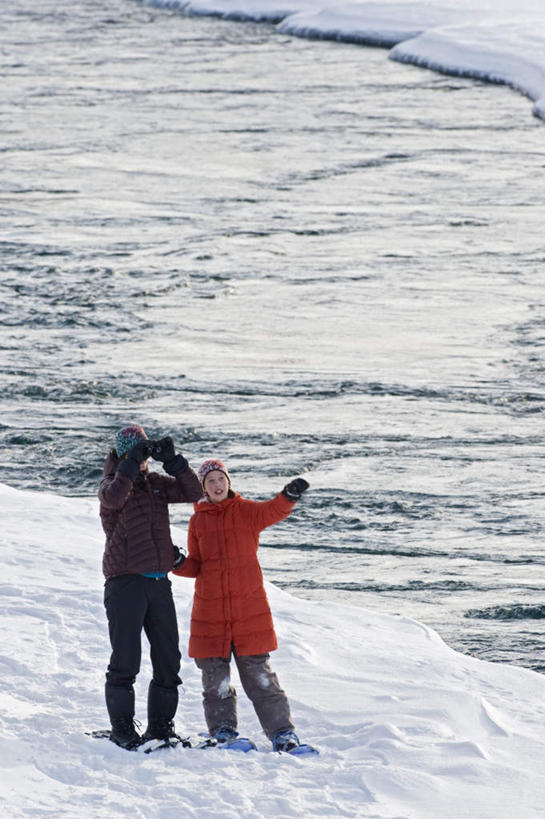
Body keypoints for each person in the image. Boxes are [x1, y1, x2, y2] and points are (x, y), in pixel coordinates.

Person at [173, 458, 315, 754]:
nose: (216, 485)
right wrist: (177, 563)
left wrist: (288, 496)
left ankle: (283, 734)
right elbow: (195, 565)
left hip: (249, 612)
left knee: (261, 679)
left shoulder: (247, 512)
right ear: (204, 487)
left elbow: (272, 511)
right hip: (210, 612)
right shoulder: (198, 520)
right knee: (215, 680)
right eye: (210, 481)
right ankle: (223, 731)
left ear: (228, 481)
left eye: (220, 479)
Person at [98, 424, 202, 750]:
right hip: (125, 583)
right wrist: (128, 464)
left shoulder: (156, 484)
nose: (142, 460)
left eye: (143, 453)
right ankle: (122, 730)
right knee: (126, 660)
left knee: (168, 659)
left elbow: (192, 492)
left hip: (159, 584)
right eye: (135, 452)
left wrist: (174, 461)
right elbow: (114, 498)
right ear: (123, 454)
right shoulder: (111, 485)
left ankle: (160, 729)